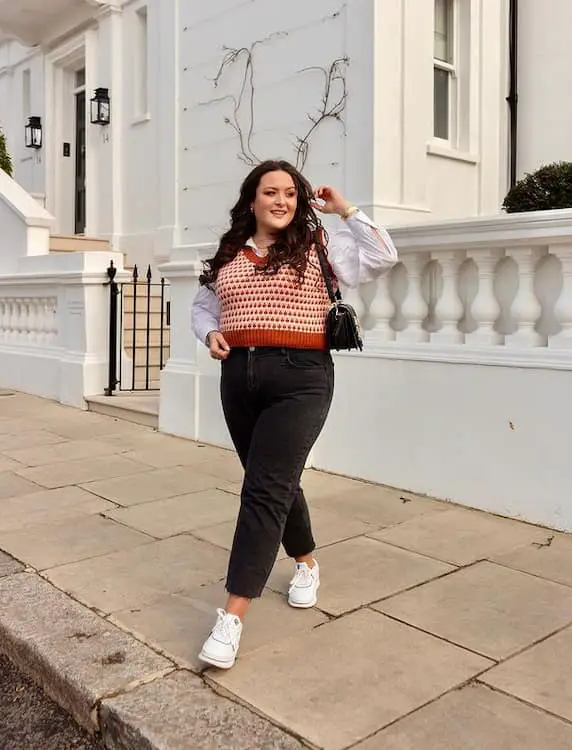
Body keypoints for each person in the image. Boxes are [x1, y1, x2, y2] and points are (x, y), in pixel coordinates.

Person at [191, 159, 397, 669]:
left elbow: (383, 255)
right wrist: (209, 334)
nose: (280, 201)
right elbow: (202, 307)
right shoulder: (228, 254)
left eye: (290, 193)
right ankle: (305, 562)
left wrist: (344, 210)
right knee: (275, 480)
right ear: (252, 200)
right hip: (239, 378)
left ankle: (232, 615)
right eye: (270, 192)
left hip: (301, 378)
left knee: (262, 489)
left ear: (299, 200)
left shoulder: (319, 246)